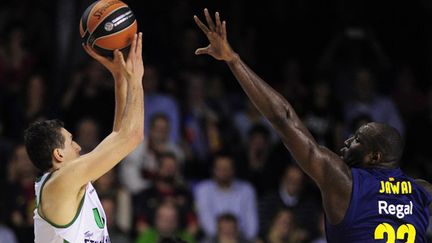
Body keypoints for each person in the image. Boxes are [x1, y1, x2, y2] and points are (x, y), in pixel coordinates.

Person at [193, 9, 432, 242]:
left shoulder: (344, 181)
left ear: (374, 156)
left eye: (358, 139)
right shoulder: (421, 190)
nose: (347, 140)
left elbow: (284, 119)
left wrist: (233, 60)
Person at [24, 33, 144, 243]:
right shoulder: (61, 182)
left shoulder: (72, 181)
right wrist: (136, 80)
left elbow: (118, 136)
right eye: (71, 141)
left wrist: (119, 80)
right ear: (58, 154)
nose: (78, 146)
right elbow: (133, 136)